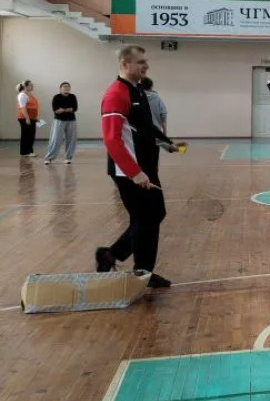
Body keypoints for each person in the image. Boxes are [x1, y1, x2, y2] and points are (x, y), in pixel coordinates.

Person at [95, 45, 177, 288]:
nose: (146, 66)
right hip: (130, 172)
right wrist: (134, 172)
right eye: (141, 62)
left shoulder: (138, 90)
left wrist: (167, 142)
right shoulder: (116, 94)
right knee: (146, 218)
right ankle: (142, 272)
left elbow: (146, 126)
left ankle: (113, 256)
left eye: (146, 61)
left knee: (152, 215)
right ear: (124, 64)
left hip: (146, 168)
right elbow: (112, 139)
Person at [45, 81, 78, 164]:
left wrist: (63, 109)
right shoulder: (56, 97)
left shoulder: (73, 97)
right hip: (59, 120)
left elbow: (74, 108)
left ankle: (68, 158)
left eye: (68, 86)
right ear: (60, 88)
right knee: (55, 139)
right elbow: (56, 110)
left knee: (71, 139)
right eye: (65, 86)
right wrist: (68, 109)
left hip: (71, 120)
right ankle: (49, 158)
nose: (67, 88)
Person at [15, 80, 37, 157]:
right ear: (25, 86)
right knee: (26, 135)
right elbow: (23, 108)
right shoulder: (22, 95)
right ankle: (25, 152)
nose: (32, 86)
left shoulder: (29, 94)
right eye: (30, 85)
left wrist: (35, 118)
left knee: (31, 135)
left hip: (31, 118)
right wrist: (27, 118)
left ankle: (29, 151)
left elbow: (32, 107)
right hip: (25, 118)